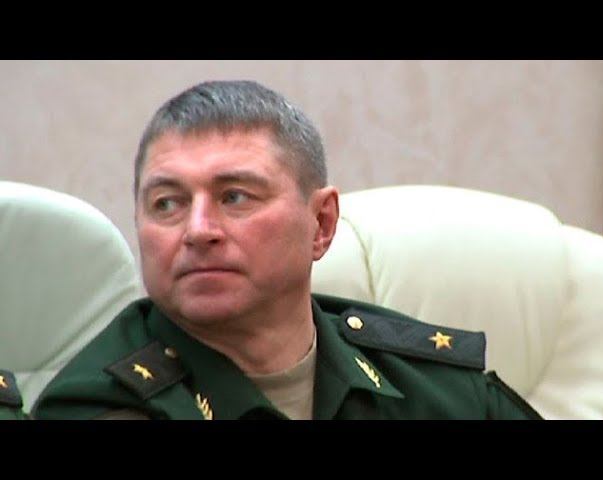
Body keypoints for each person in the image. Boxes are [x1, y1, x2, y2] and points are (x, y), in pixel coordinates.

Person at [32, 80, 542, 420]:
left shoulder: (434, 389)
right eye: (167, 203)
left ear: (321, 224)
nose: (198, 230)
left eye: (235, 197)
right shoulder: (102, 405)